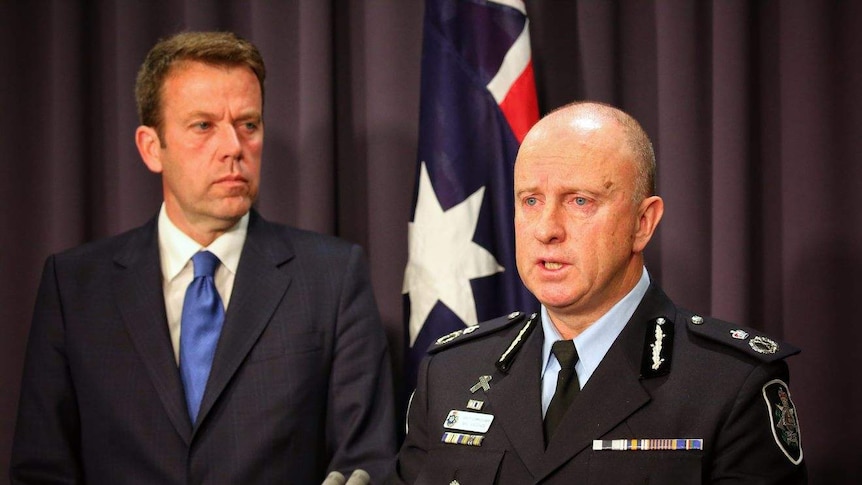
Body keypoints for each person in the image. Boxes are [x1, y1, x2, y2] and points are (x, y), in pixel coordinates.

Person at [11, 31, 396, 484]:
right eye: (203, 126)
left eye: (248, 124)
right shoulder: (74, 286)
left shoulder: (332, 276)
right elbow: (41, 469)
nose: (234, 147)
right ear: (151, 147)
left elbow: (367, 462)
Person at [390, 101, 807, 483]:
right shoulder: (450, 373)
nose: (547, 229)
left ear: (643, 223)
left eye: (580, 201)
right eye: (531, 200)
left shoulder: (729, 384)